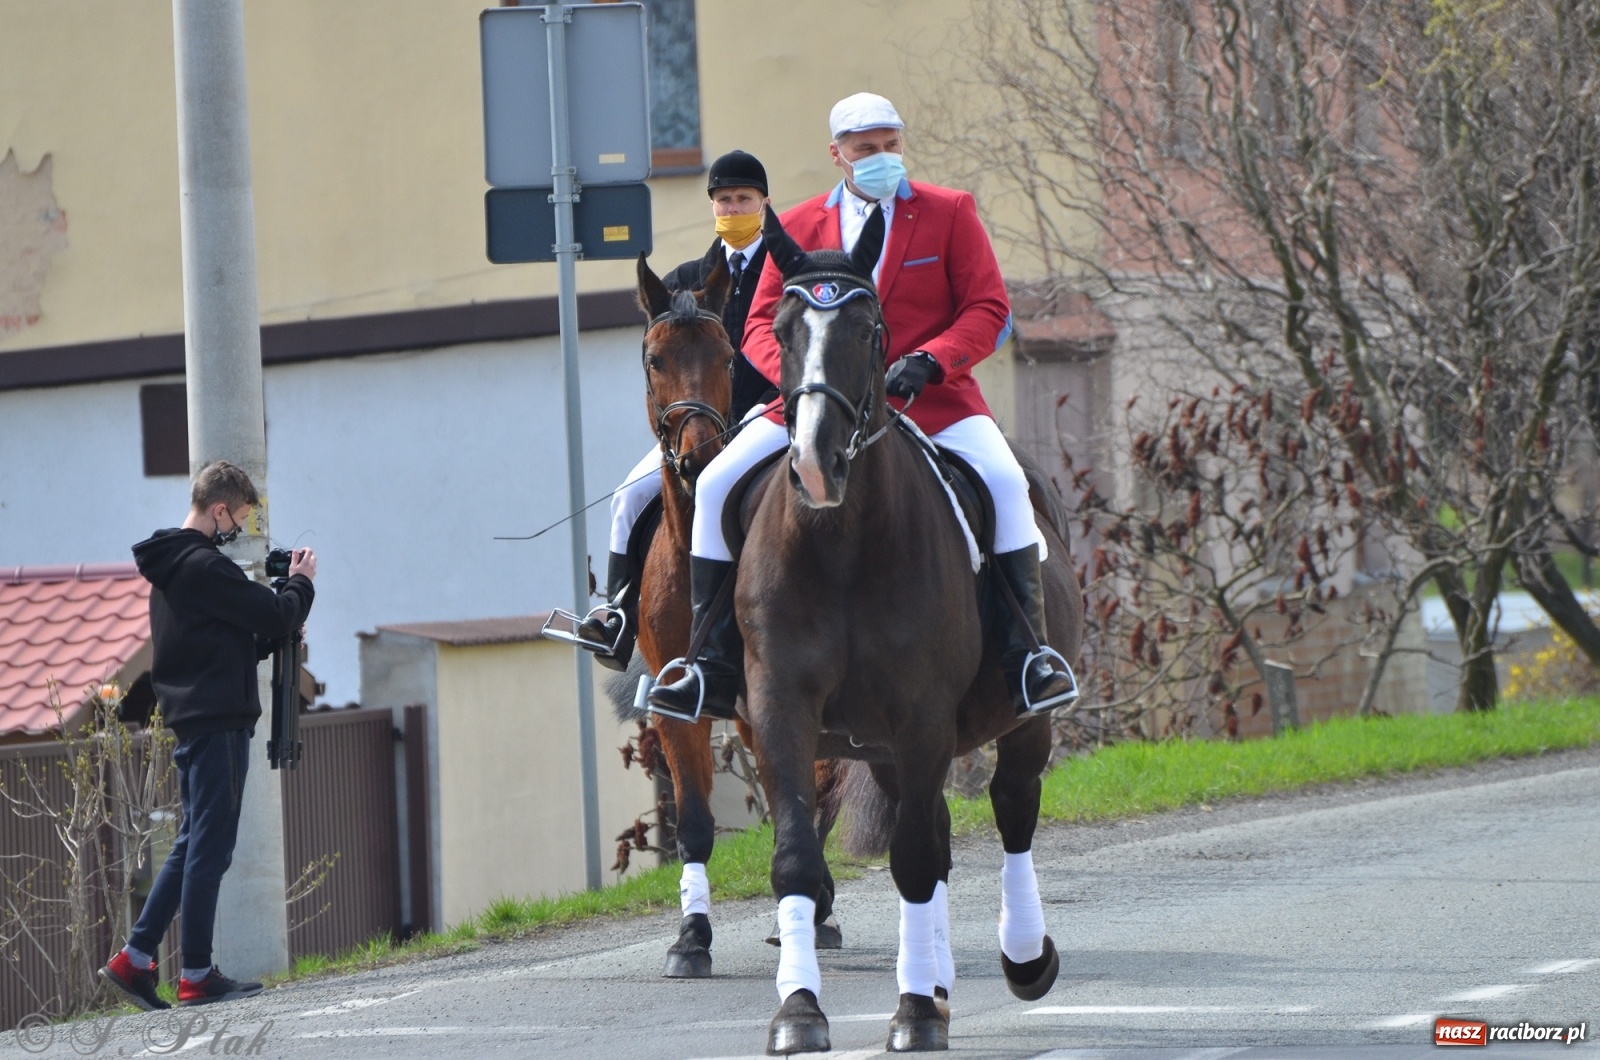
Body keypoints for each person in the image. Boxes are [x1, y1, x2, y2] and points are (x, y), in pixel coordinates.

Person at [646, 92, 1078, 721]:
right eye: (867, 148)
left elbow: (989, 308)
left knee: (1008, 485)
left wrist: (931, 358)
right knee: (713, 487)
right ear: (837, 154)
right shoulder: (797, 225)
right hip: (815, 404)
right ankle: (708, 665)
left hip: (932, 400)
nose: (882, 157)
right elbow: (761, 323)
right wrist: (799, 381)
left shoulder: (950, 211)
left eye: (891, 145)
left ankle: (1028, 657)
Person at [100, 461, 316, 1010]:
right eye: (238, 518)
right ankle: (195, 973)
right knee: (210, 848)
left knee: (192, 843)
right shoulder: (204, 566)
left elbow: (220, 643)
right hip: (218, 720)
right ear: (219, 509)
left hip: (194, 717)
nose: (238, 530)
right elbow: (273, 613)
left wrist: (274, 631)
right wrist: (302, 584)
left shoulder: (172, 567)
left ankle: (135, 959)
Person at [571, 150, 777, 668]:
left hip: (769, 416)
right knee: (628, 495)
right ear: (713, 206)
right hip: (697, 424)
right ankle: (618, 616)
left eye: (744, 199)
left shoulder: (782, 271)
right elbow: (656, 363)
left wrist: (765, 407)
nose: (733, 208)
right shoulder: (684, 279)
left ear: (764, 203)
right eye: (724, 200)